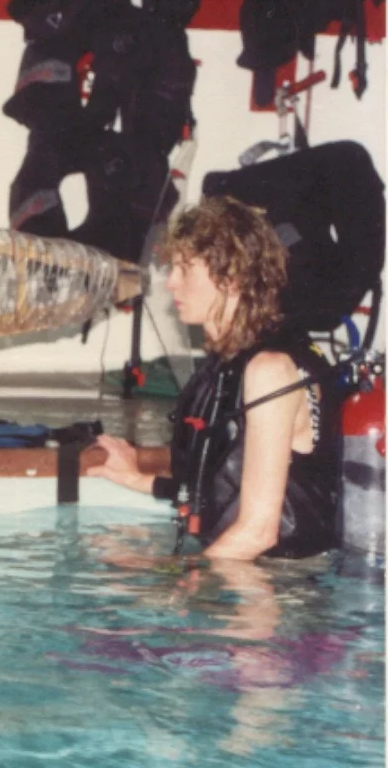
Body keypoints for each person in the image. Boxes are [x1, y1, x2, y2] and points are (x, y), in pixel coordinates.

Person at [87, 197, 340, 560]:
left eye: (185, 269)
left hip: (284, 587)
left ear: (231, 279)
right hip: (237, 565)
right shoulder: (226, 364)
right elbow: (221, 488)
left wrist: (174, 587)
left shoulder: (270, 371)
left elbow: (259, 532)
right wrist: (138, 479)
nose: (171, 282)